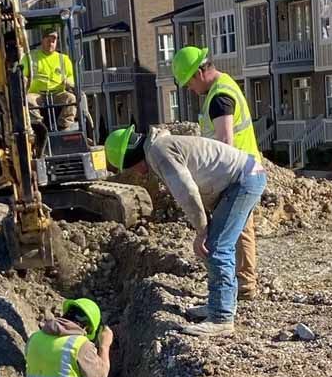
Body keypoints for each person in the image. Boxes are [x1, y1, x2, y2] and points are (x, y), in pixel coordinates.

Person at [105, 125, 266, 338]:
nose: (136, 172)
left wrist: (202, 231)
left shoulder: (160, 152)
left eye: (130, 167)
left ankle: (222, 318)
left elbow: (187, 192)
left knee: (217, 248)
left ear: (130, 157)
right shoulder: (161, 147)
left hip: (243, 181)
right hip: (244, 178)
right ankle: (218, 304)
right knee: (216, 245)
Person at [171, 45, 261, 313]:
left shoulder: (220, 97)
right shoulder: (223, 87)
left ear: (200, 71)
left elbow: (224, 142)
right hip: (246, 170)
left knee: (231, 232)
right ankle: (243, 284)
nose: (189, 88)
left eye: (189, 82)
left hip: (237, 173)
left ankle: (241, 287)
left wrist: (220, 180)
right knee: (241, 229)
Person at [23, 29, 77, 133]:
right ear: (42, 40)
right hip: (37, 95)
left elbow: (71, 76)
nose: (50, 43)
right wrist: (24, 80)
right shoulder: (30, 57)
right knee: (28, 100)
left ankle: (63, 127)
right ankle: (39, 127)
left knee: (71, 99)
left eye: (53, 41)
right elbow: (22, 74)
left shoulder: (63, 59)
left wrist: (68, 82)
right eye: (48, 40)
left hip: (58, 94)